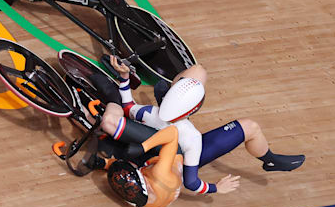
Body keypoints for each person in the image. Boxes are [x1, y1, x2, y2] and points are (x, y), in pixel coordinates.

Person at [90, 56, 304, 196]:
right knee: (250, 126)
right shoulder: (192, 137)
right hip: (172, 155)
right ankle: (270, 159)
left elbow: (128, 106)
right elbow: (191, 182)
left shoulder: (151, 112)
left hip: (156, 140)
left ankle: (271, 160)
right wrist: (216, 188)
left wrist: (124, 77)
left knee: (199, 72)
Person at [106, 125, 185, 207]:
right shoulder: (160, 173)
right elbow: (173, 132)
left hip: (152, 166)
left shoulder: (145, 199)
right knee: (111, 127)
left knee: (107, 138)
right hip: (167, 151)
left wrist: (104, 163)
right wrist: (143, 147)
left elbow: (121, 172)